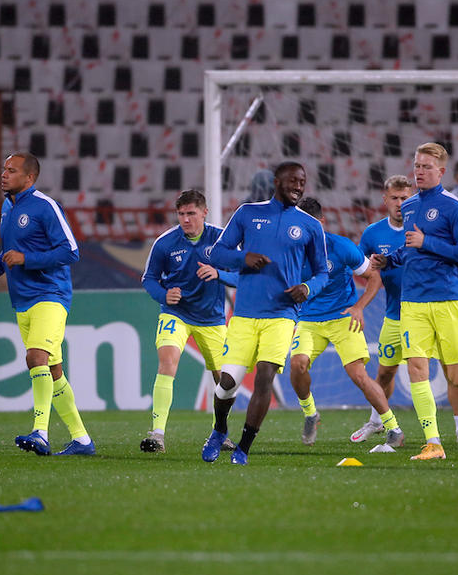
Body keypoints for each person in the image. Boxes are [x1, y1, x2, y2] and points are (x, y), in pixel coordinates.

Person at [371, 143, 458, 462]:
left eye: (426, 167)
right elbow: (411, 250)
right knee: (417, 368)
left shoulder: (454, 206)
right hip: (413, 302)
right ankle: (433, 443)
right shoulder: (408, 207)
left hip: (448, 299)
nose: (419, 171)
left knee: (457, 377)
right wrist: (390, 259)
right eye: (417, 165)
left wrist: (427, 242)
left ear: (441, 171)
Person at [203, 161, 329, 465]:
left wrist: (308, 288)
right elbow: (218, 253)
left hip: (283, 314)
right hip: (245, 314)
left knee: (264, 377)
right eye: (293, 181)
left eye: (302, 182)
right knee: (228, 383)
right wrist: (243, 258)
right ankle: (219, 429)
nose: (299, 186)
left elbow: (323, 272)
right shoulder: (247, 213)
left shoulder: (310, 225)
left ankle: (244, 448)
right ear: (276, 182)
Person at [352, 175, 458, 446]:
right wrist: (376, 268)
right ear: (385, 199)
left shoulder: (425, 223)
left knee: (452, 372)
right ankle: (379, 421)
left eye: (405, 198)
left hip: (433, 305)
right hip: (396, 313)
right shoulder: (372, 233)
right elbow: (365, 268)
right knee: (385, 372)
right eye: (395, 198)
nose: (400, 203)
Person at [0, 152, 94, 456]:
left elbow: (71, 251)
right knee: (53, 371)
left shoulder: (45, 206)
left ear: (29, 178)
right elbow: (10, 252)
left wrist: (28, 259)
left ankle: (40, 432)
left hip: (51, 295)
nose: (4, 174)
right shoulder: (7, 207)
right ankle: (82, 440)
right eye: (4, 169)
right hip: (23, 300)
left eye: (11, 171)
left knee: (36, 356)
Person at [288, 196, 402, 448]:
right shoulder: (292, 251)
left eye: (311, 225)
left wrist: (359, 307)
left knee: (358, 375)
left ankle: (393, 427)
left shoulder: (341, 247)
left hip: (342, 317)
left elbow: (374, 277)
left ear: (322, 222)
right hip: (308, 320)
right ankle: (310, 413)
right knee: (297, 365)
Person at [140, 189, 239, 453]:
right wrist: (164, 294)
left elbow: (244, 274)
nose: (185, 219)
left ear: (204, 212)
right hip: (177, 314)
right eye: (181, 214)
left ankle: (220, 433)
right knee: (167, 363)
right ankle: (157, 435)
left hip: (212, 319)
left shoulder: (222, 240)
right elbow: (149, 279)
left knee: (225, 379)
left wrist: (219, 274)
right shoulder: (165, 243)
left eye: (191, 213)